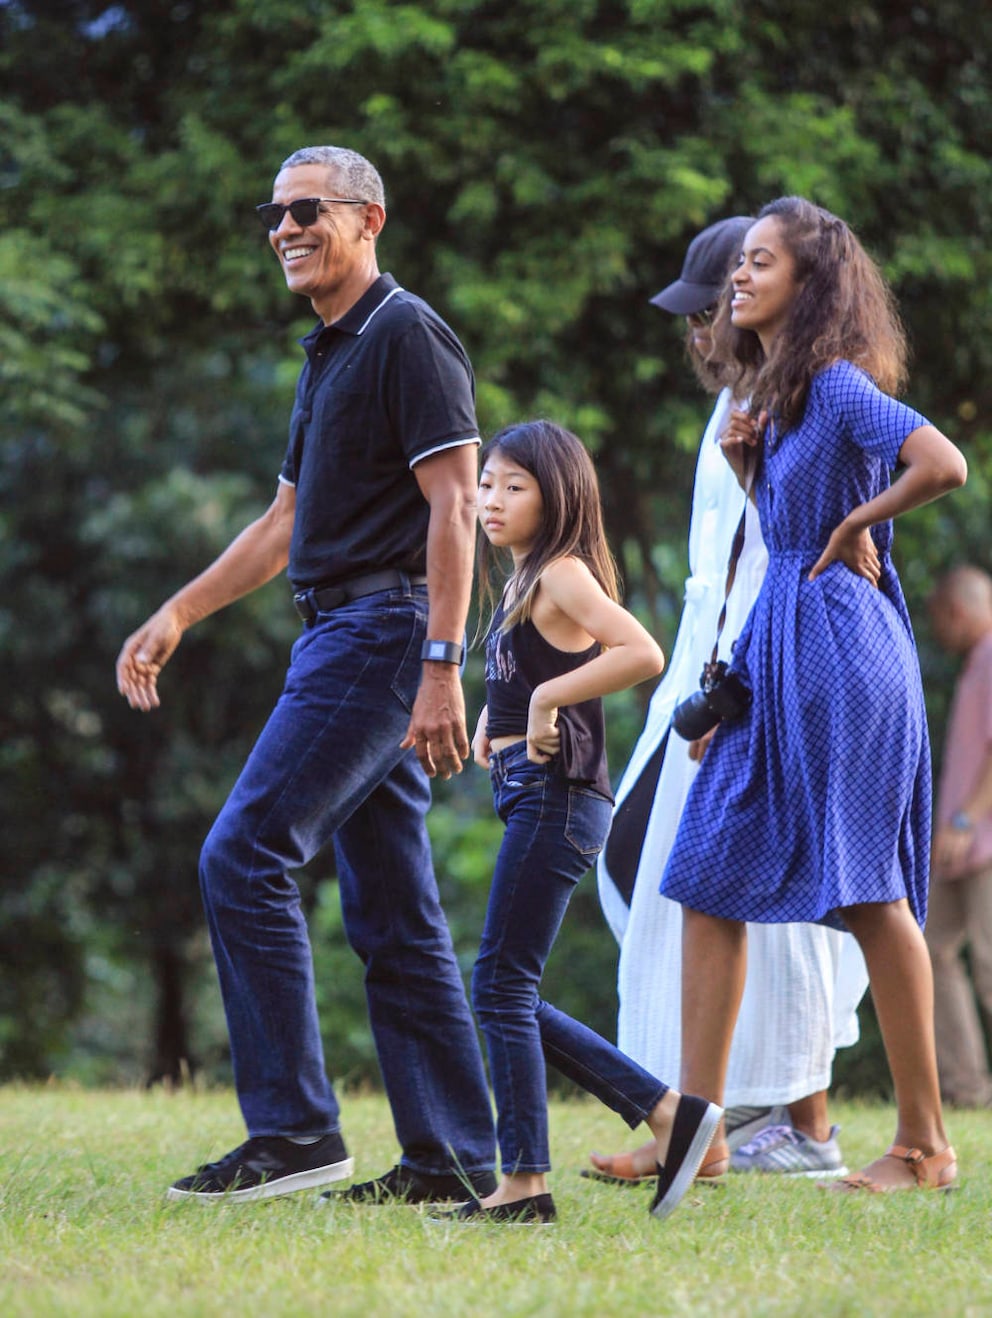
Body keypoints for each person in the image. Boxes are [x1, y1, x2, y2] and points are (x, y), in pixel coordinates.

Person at [116, 145, 498, 1205]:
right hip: (338, 627)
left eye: (306, 210)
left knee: (242, 854)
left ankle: (291, 1134)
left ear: (368, 218)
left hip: (381, 635)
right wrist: (179, 611)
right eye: (272, 213)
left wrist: (439, 665)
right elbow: (284, 523)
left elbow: (455, 506)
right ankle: (453, 1160)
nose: (282, 228)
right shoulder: (329, 351)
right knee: (394, 909)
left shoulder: (406, 335)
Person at [660, 195, 967, 1193]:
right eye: (737, 263)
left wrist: (856, 526)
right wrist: (762, 482)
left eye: (756, 262)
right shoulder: (783, 402)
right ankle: (696, 1135)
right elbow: (791, 532)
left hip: (842, 651)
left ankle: (923, 1146)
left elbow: (941, 461)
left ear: (808, 280)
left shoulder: (834, 383)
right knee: (705, 870)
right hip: (780, 646)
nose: (736, 278)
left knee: (869, 893)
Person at [589, 218, 868, 1186]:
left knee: (762, 900)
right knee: (650, 883)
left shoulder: (801, 401)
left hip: (753, 672)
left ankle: (777, 1124)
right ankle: (698, 1116)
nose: (698, 329)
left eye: (710, 307)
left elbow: (795, 558)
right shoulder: (738, 406)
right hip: (708, 668)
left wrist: (742, 691)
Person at [440, 419, 720, 1225]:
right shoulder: (527, 581)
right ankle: (668, 1113)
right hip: (540, 798)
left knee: (499, 983)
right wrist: (494, 734)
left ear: (555, 496)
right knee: (507, 989)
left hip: (560, 803)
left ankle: (530, 1182)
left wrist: (546, 701)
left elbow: (642, 652)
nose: (491, 499)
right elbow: (527, 680)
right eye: (487, 482)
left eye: (513, 486)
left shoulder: (561, 572)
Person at [926, 565, 992, 1107]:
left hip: (981, 836)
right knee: (932, 949)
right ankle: (967, 1088)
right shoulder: (976, 663)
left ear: (956, 612)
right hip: (957, 842)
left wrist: (967, 818)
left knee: (990, 963)